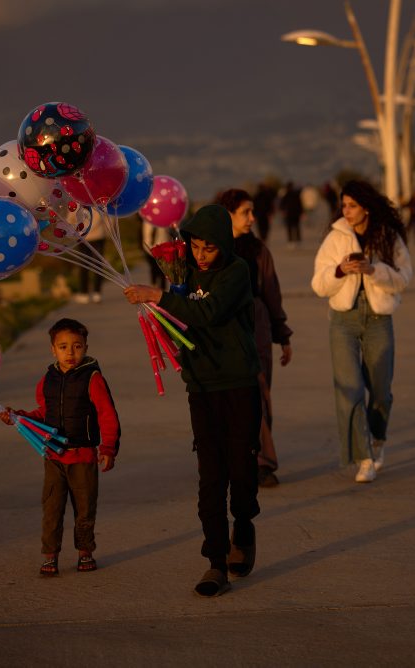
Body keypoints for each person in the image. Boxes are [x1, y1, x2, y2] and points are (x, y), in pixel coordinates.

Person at [124, 204, 261, 598]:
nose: (201, 255)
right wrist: (156, 320)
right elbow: (181, 321)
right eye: (196, 247)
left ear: (224, 246)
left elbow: (209, 311)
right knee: (211, 477)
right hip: (201, 386)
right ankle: (216, 562)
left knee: (241, 470)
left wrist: (160, 296)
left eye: (209, 248)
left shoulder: (236, 272)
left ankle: (245, 525)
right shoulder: (182, 271)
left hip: (238, 385)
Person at [0, 318, 120, 577]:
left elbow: (107, 415)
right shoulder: (47, 381)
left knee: (85, 510)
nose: (70, 352)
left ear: (86, 347)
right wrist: (19, 417)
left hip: (83, 456)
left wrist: (108, 448)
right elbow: (44, 413)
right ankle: (50, 555)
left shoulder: (93, 378)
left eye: (77, 346)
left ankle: (85, 552)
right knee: (51, 509)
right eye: (63, 347)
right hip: (54, 456)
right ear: (53, 349)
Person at [311, 180, 413, 483]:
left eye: (352, 205)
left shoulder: (388, 236)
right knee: (349, 389)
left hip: (379, 320)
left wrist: (372, 270)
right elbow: (318, 285)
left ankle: (378, 439)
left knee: (381, 391)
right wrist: (340, 270)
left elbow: (404, 278)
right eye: (344, 205)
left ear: (366, 207)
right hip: (343, 320)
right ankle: (364, 457)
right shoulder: (335, 238)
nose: (346, 211)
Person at [216, 188, 293, 488]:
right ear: (228, 216)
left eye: (252, 211)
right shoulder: (212, 250)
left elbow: (272, 294)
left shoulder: (259, 251)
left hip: (257, 329)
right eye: (245, 212)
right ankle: (236, 459)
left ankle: (261, 462)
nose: (252, 217)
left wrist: (282, 334)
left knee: (259, 396)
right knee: (227, 399)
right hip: (223, 333)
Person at [75, 214, 106, 303]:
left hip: (83, 237)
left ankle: (84, 293)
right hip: (98, 235)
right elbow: (107, 217)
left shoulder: (78, 202)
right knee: (98, 265)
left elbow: (71, 217)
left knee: (84, 265)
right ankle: (97, 292)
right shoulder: (97, 203)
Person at [280, 181, 303, 246]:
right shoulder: (296, 195)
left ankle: (290, 240)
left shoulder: (286, 195)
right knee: (296, 227)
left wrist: (283, 211)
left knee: (289, 227)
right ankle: (298, 240)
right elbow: (299, 204)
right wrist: (301, 212)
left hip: (289, 214)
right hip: (296, 213)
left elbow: (282, 205)